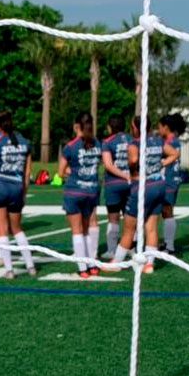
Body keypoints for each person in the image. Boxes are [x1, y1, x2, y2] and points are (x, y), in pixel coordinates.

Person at [110, 116, 179, 274]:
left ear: (135, 127)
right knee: (152, 227)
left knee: (129, 228)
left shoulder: (134, 143)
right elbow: (174, 154)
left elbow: (133, 158)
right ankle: (149, 264)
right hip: (159, 185)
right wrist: (160, 163)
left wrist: (133, 165)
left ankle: (116, 262)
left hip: (143, 186)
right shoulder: (157, 141)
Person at [0, 110, 36, 279]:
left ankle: (9, 269)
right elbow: (27, 173)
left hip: (0, 187)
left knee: (1, 229)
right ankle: (31, 266)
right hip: (17, 188)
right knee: (17, 228)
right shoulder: (24, 142)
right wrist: (24, 192)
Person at [59, 113, 103, 278]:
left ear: (77, 125)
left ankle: (83, 268)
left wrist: (74, 172)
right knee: (87, 229)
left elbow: (60, 172)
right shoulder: (98, 143)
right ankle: (92, 265)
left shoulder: (71, 146)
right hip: (91, 191)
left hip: (75, 191)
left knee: (77, 231)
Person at [101, 116, 132, 260]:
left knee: (113, 218)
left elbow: (108, 165)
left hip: (114, 184)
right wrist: (129, 175)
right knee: (129, 217)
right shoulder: (132, 140)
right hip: (131, 183)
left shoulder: (107, 142)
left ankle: (112, 250)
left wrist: (122, 175)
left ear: (110, 127)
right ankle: (130, 247)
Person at [159, 113, 187, 255]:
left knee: (167, 211)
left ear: (166, 127)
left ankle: (170, 246)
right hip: (173, 179)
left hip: (169, 180)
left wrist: (161, 163)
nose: (159, 130)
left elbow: (172, 157)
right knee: (166, 212)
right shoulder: (173, 140)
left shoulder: (170, 142)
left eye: (160, 127)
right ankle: (167, 243)